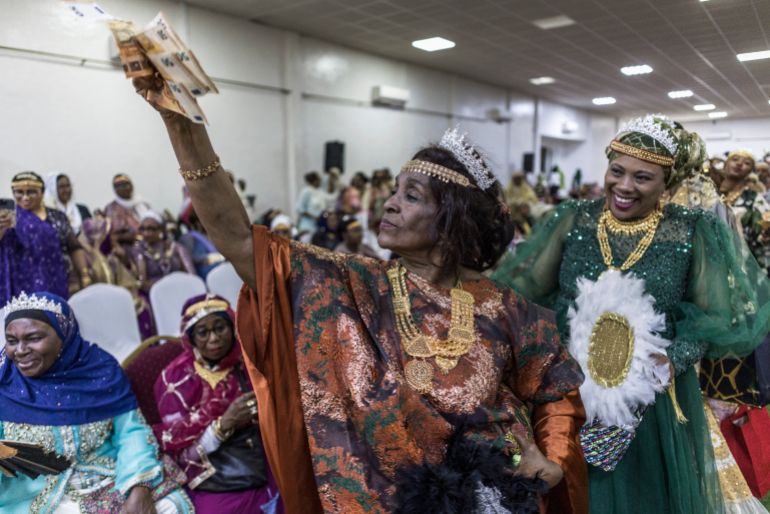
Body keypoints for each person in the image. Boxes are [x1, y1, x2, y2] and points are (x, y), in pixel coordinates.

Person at [130, 74, 588, 514]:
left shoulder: (506, 309)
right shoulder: (345, 285)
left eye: (411, 196)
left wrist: (552, 459)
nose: (388, 203)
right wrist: (181, 125)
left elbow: (557, 393)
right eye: (393, 191)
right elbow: (238, 239)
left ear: (452, 221)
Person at [493, 114, 770, 514]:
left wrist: (672, 360)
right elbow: (524, 292)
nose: (624, 186)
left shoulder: (691, 229)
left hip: (650, 399)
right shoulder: (573, 218)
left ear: (667, 184)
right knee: (571, 491)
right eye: (617, 171)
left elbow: (711, 317)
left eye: (642, 177)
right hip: (570, 390)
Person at [0, 291, 193, 513]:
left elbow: (131, 431)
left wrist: (138, 487)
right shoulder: (5, 382)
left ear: (64, 333)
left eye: (33, 338)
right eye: (12, 341)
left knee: (168, 506)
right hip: (38, 494)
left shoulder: (100, 370)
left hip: (111, 475)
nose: (21, 351)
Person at [154, 294, 280, 513]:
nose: (214, 339)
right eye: (203, 332)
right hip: (210, 473)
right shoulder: (175, 380)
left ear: (232, 326)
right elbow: (179, 454)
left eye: (220, 328)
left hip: (263, 454)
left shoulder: (249, 362)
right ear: (191, 337)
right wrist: (223, 426)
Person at [1, 172, 90, 302]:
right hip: (21, 285)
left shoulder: (57, 216)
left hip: (57, 279)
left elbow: (74, 246)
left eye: (31, 192)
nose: (25, 197)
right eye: (19, 192)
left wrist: (84, 275)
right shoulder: (11, 218)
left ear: (42, 192)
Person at [131, 212, 195, 295]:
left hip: (182, 289)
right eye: (143, 229)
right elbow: (143, 282)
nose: (146, 233)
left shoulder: (175, 247)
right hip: (156, 294)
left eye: (151, 229)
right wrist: (166, 287)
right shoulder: (139, 250)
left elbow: (192, 275)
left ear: (161, 229)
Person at [178, 207, 225, 279]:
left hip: (223, 270)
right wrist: (210, 258)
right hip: (207, 276)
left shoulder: (213, 235)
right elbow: (189, 258)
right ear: (198, 222)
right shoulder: (188, 237)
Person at [295, 172, 327, 236]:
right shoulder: (306, 191)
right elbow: (300, 208)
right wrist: (314, 217)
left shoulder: (319, 192)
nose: (320, 182)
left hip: (318, 225)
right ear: (315, 181)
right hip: (308, 225)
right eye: (319, 180)